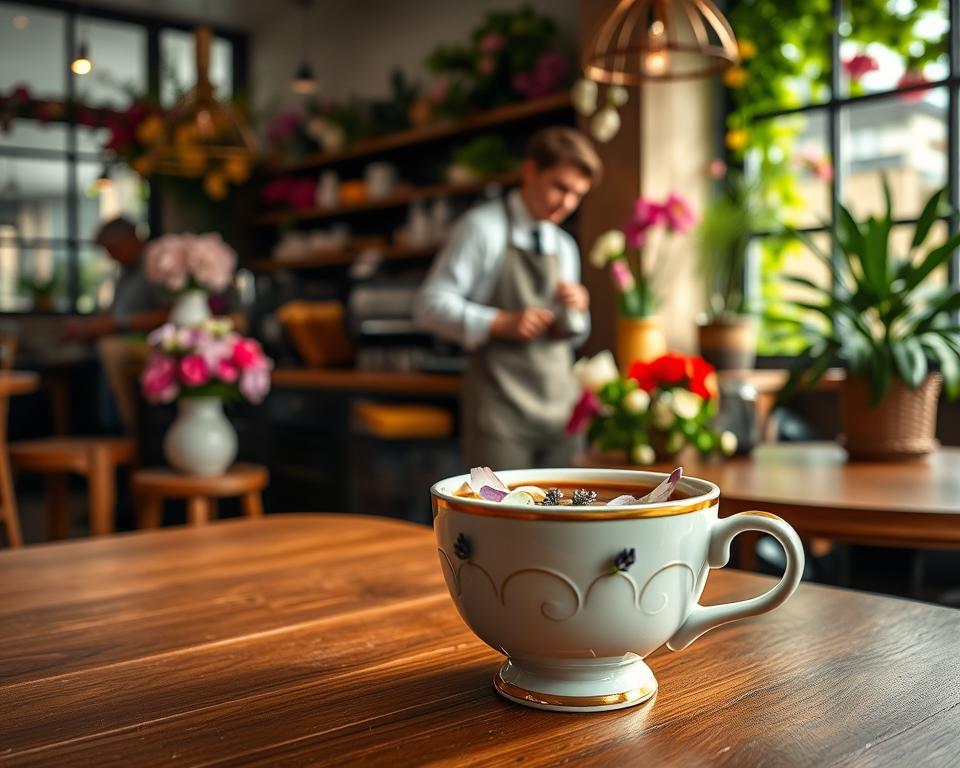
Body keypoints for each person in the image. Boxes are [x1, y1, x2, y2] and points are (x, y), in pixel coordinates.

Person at [414, 127, 602, 470]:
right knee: (500, 519)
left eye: (577, 195)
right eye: (560, 187)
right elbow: (429, 305)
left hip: (562, 416)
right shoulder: (480, 229)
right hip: (500, 417)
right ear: (530, 171)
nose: (567, 203)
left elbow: (577, 334)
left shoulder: (564, 245)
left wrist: (579, 311)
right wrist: (499, 322)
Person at [64, 218, 169, 432]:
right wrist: (88, 327)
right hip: (117, 342)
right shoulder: (125, 271)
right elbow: (113, 312)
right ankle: (96, 432)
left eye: (113, 249)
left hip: (146, 342)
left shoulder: (158, 264)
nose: (110, 256)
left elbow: (167, 314)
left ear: (130, 239)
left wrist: (117, 324)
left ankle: (123, 429)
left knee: (108, 349)